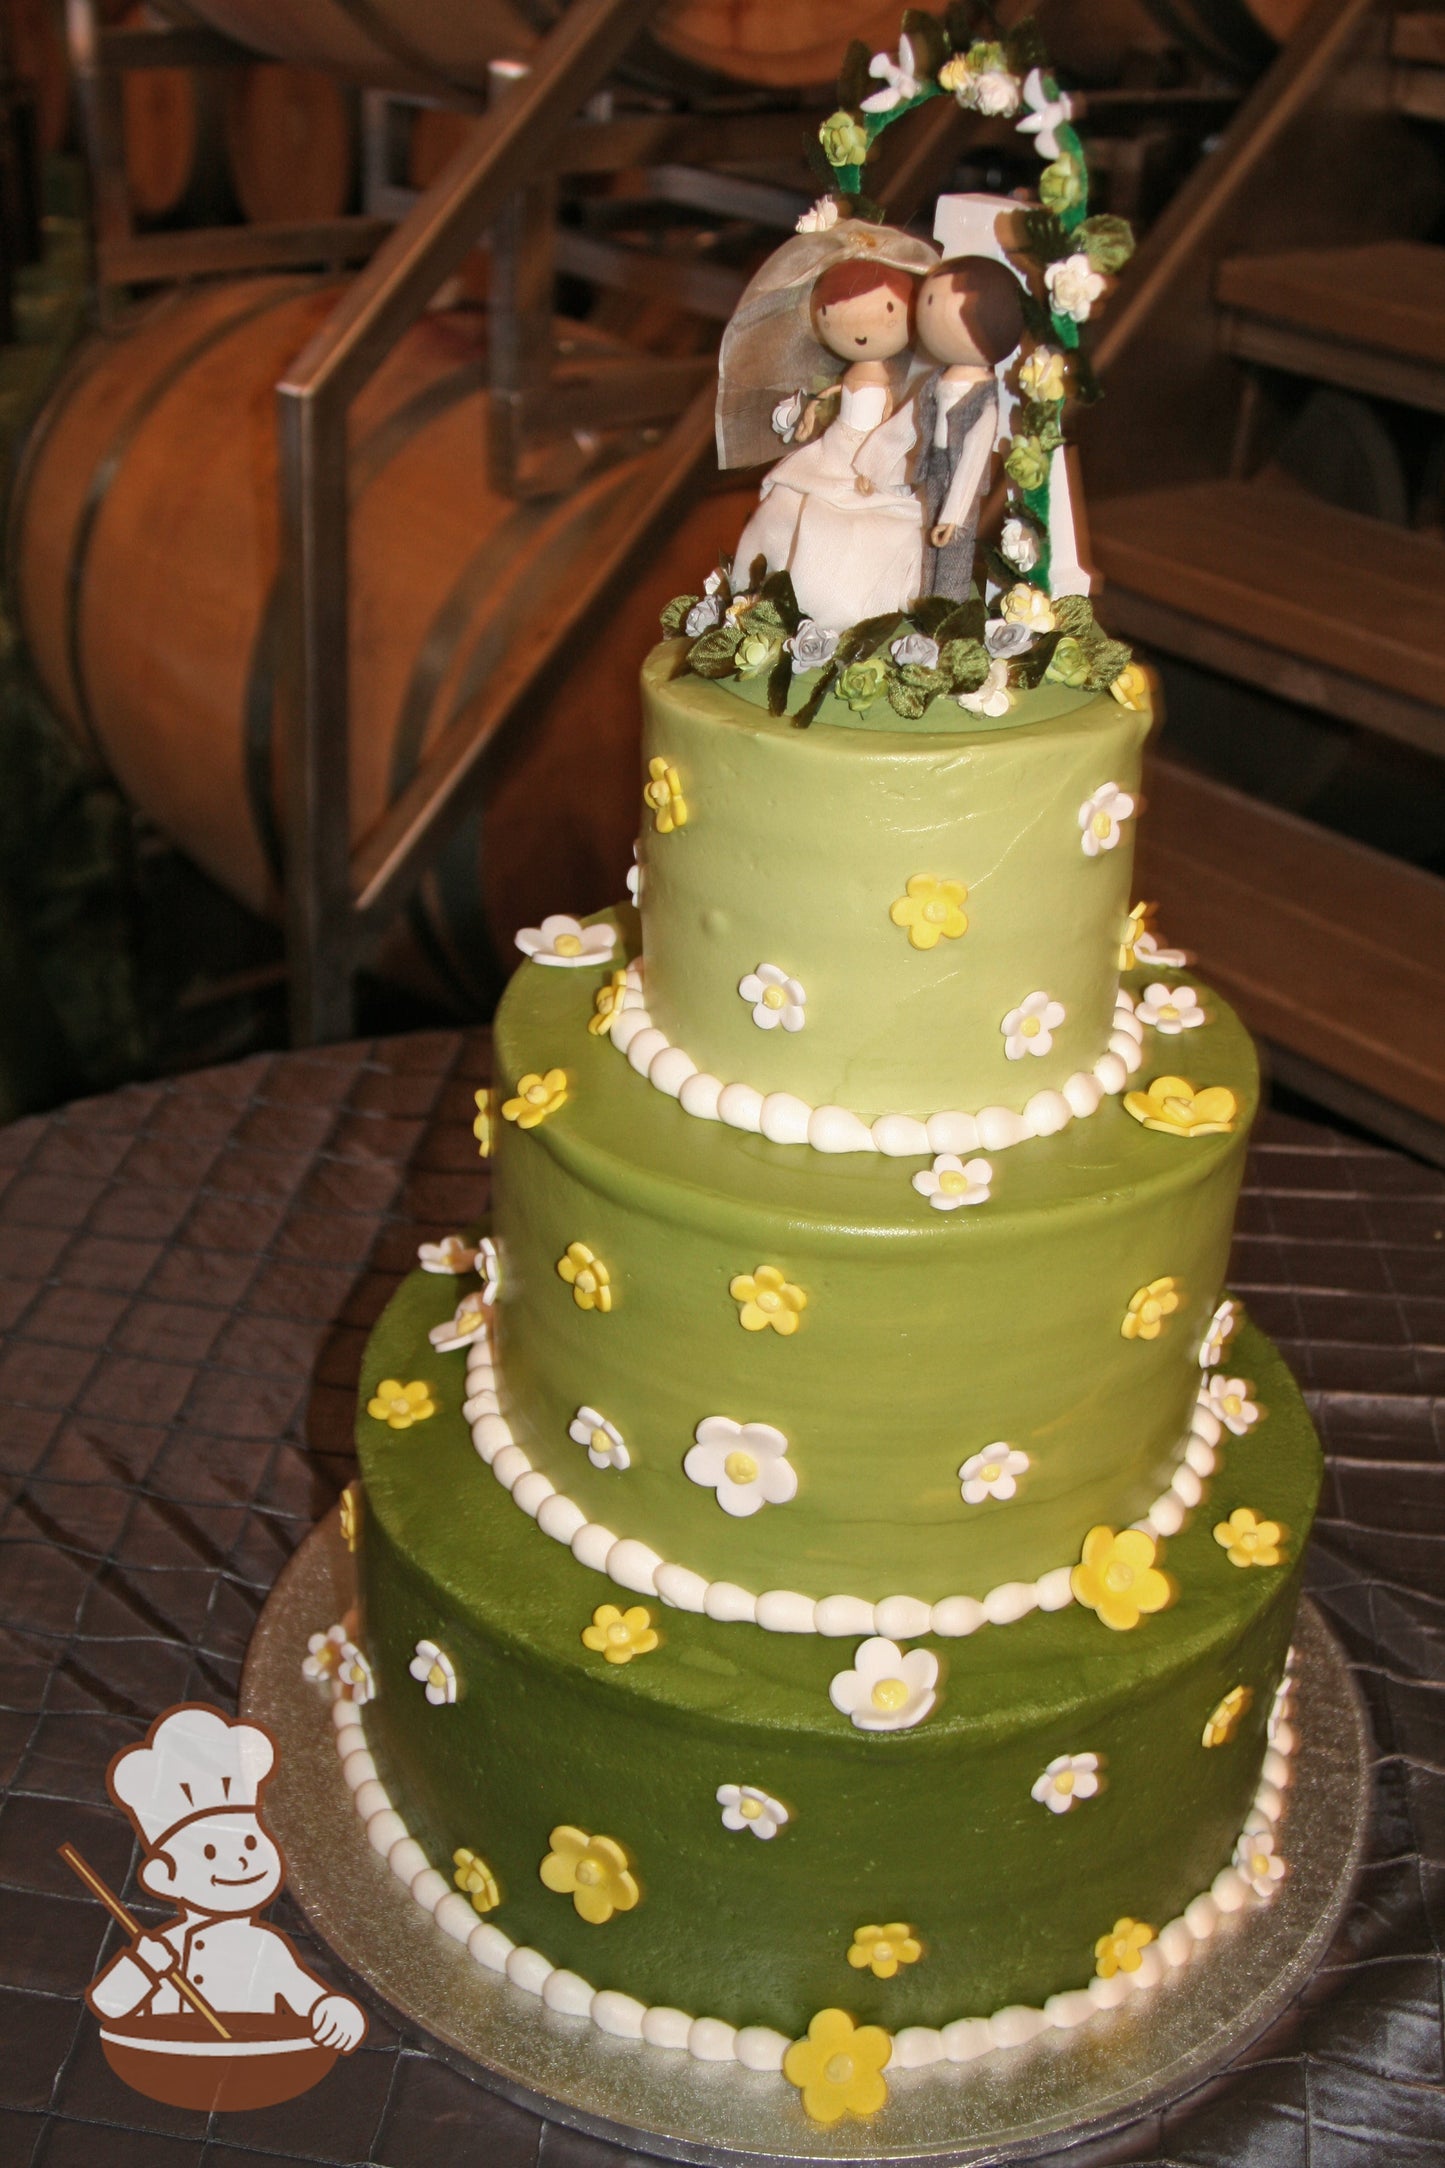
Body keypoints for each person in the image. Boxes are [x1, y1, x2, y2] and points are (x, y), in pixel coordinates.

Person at [86, 1703, 366, 2050]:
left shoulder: (266, 1947)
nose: (241, 1861)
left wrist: (336, 2011)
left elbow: (310, 1999)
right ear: (165, 1877)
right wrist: (143, 1966)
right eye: (210, 1852)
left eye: (250, 1842)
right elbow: (109, 2003)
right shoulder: (165, 1948)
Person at [716, 219, 940, 632]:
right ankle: (768, 585)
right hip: (837, 445)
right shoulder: (848, 378)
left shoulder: (890, 385)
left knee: (872, 516)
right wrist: (808, 416)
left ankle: (851, 600)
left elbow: (890, 413)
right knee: (795, 500)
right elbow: (831, 397)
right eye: (834, 316)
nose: (859, 333)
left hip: (872, 449)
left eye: (888, 311)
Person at [912, 255, 1027, 601]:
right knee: (927, 546)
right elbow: (914, 421)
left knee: (954, 548)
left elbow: (975, 459)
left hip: (958, 475)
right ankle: (926, 603)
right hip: (934, 464)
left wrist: (954, 515)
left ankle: (946, 608)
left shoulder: (983, 397)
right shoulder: (936, 381)